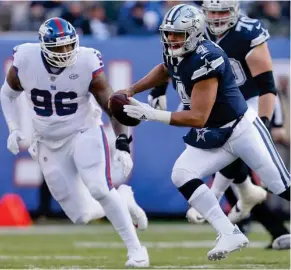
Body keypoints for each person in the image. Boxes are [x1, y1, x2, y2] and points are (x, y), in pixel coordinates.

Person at [121, 4, 290, 261]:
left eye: (178, 34)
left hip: (240, 129)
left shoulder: (208, 57)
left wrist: (151, 114)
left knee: (281, 185)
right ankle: (228, 232)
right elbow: (164, 68)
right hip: (214, 133)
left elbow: (197, 117)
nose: (172, 40)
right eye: (169, 34)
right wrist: (131, 91)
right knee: (182, 173)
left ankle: (246, 195)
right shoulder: (175, 49)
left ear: (195, 33)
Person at [0, 17, 149, 268]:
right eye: (59, 48)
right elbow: (7, 94)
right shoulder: (26, 59)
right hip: (47, 141)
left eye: (69, 46)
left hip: (83, 130)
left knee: (100, 188)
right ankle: (123, 198)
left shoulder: (86, 61)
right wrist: (13, 129)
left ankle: (136, 249)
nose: (66, 52)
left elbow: (111, 106)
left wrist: (122, 141)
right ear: (44, 46)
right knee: (80, 216)